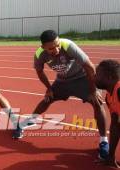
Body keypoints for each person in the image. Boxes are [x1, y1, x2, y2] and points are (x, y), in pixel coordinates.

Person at [14, 30, 109, 159]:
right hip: (62, 81)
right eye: (51, 48)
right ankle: (30, 121)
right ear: (43, 48)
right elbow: (40, 72)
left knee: (97, 102)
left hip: (82, 78)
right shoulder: (39, 54)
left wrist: (93, 91)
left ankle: (103, 140)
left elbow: (90, 67)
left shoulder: (68, 45)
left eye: (57, 45)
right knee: (47, 99)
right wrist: (49, 89)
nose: (56, 49)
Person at [95, 59, 120, 168]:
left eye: (97, 74)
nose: (94, 77)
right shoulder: (109, 96)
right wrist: (111, 156)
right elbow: (115, 126)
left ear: (109, 77)